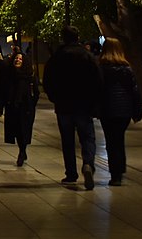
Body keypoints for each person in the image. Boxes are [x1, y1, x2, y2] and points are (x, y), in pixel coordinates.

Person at [43, 25, 102, 190]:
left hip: (64, 105)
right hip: (83, 104)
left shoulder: (57, 57)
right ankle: (88, 163)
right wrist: (94, 101)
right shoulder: (87, 56)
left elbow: (48, 80)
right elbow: (97, 80)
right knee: (87, 137)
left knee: (67, 140)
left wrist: (54, 97)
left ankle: (71, 173)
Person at [99, 37, 142, 186]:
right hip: (124, 110)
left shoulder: (102, 68)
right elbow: (134, 91)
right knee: (119, 139)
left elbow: (98, 90)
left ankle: (115, 173)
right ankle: (120, 169)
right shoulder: (127, 69)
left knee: (111, 141)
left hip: (107, 109)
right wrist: (137, 111)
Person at [3, 51, 40, 166]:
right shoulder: (9, 76)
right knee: (17, 130)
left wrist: (31, 103)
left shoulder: (29, 76)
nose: (17, 60)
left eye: (20, 59)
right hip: (13, 107)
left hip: (26, 108)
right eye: (16, 58)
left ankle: (22, 151)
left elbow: (36, 93)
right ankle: (22, 150)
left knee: (24, 130)